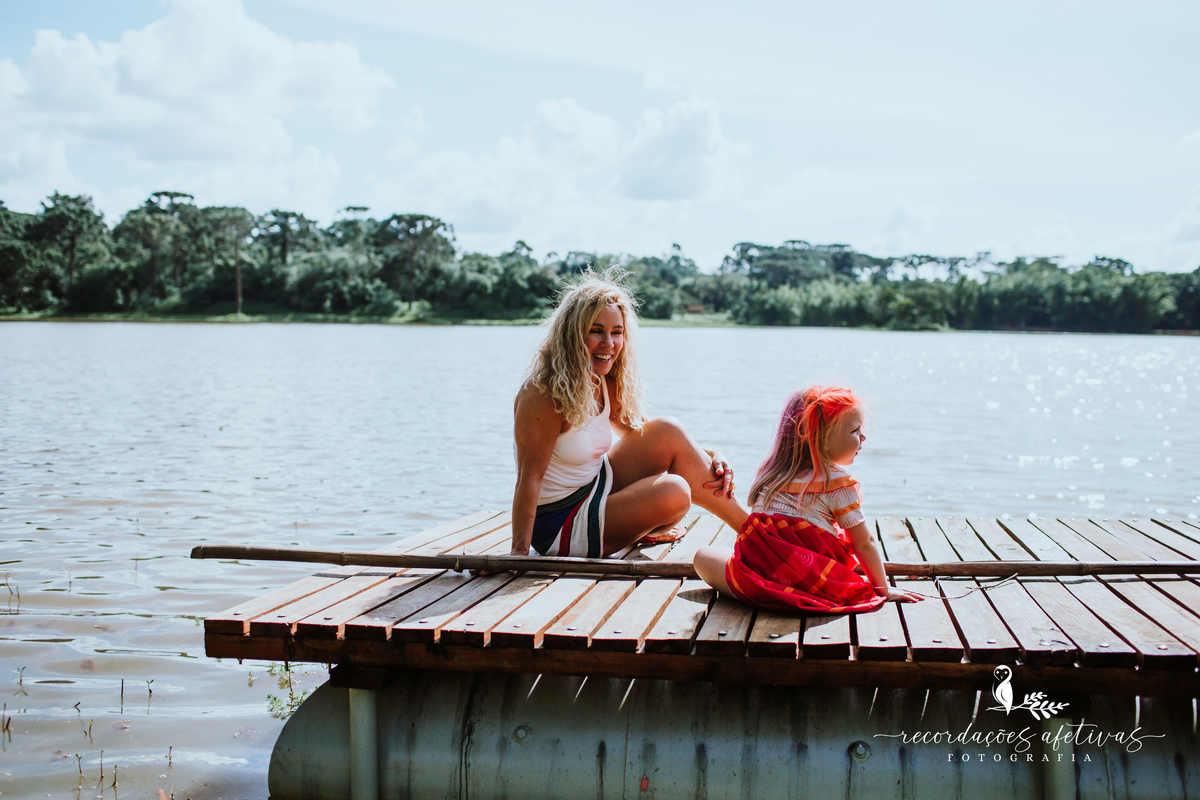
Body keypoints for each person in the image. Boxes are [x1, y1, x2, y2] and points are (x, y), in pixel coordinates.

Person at [509, 270, 749, 560]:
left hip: (595, 488)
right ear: (572, 333)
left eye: (617, 332)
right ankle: (640, 529)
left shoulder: (602, 381)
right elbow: (528, 476)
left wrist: (713, 454)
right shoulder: (543, 393)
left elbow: (656, 437)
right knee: (674, 491)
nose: (608, 344)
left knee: (668, 430)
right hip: (560, 523)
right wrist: (519, 552)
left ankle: (752, 534)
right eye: (596, 330)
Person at [693, 385, 920, 611]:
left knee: (703, 557)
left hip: (762, 578)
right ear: (820, 439)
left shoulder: (770, 475)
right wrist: (883, 590)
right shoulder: (838, 483)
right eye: (855, 430)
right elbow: (864, 543)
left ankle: (765, 593)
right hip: (814, 585)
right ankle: (787, 595)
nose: (863, 437)